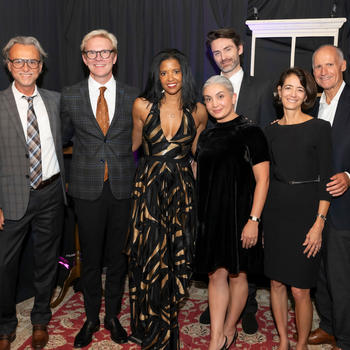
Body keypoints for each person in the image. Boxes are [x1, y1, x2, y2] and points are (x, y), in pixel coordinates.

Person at [61, 29, 138, 348]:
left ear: (115, 57)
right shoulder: (70, 95)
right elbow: (61, 137)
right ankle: (92, 318)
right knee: (90, 258)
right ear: (84, 58)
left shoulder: (134, 96)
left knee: (119, 259)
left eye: (104, 52)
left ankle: (113, 317)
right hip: (86, 188)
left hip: (122, 187)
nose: (98, 58)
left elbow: (144, 138)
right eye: (92, 53)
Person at [126, 48, 207, 349]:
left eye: (175, 71)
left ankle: (168, 322)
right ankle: (148, 326)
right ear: (157, 77)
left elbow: (196, 155)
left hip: (181, 192)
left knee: (175, 259)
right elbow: (133, 144)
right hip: (148, 189)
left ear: (184, 74)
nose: (170, 78)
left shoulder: (199, 110)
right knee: (149, 258)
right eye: (164, 72)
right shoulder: (141, 106)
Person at [201, 27, 275, 333]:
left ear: (240, 49)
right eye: (216, 52)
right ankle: (220, 314)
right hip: (219, 193)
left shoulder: (261, 87)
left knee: (243, 265)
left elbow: (268, 139)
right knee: (218, 265)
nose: (223, 56)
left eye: (227, 50)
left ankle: (248, 309)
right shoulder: (208, 94)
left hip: (249, 190)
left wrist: (256, 215)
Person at [0, 36, 66, 350]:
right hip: (10, 199)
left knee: (46, 261)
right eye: (19, 61)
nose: (26, 67)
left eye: (32, 61)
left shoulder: (55, 100)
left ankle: (40, 319)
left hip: (51, 194)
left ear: (40, 67)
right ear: (8, 65)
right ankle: (5, 326)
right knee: (4, 266)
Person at [195, 75, 270, 350]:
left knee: (238, 274)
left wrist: (253, 220)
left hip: (240, 217)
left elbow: (263, 180)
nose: (215, 103)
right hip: (211, 218)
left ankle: (229, 329)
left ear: (233, 97)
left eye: (220, 96)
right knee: (216, 275)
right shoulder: (206, 136)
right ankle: (216, 338)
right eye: (209, 98)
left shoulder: (251, 132)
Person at [263, 67, 332, 350]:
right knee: (276, 284)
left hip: (306, 212)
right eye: (287, 87)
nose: (292, 94)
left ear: (307, 96)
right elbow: (263, 180)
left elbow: (327, 178)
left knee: (300, 288)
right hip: (276, 211)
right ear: (279, 92)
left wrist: (319, 224)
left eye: (299, 89)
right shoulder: (269, 131)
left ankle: (301, 344)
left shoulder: (319, 128)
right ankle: (283, 341)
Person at [307, 45, 350, 350]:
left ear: (343, 65)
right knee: (319, 272)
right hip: (314, 204)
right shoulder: (313, 106)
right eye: (318, 67)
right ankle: (328, 326)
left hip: (344, 207)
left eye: (329, 65)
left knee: (340, 276)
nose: (324, 72)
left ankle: (346, 338)